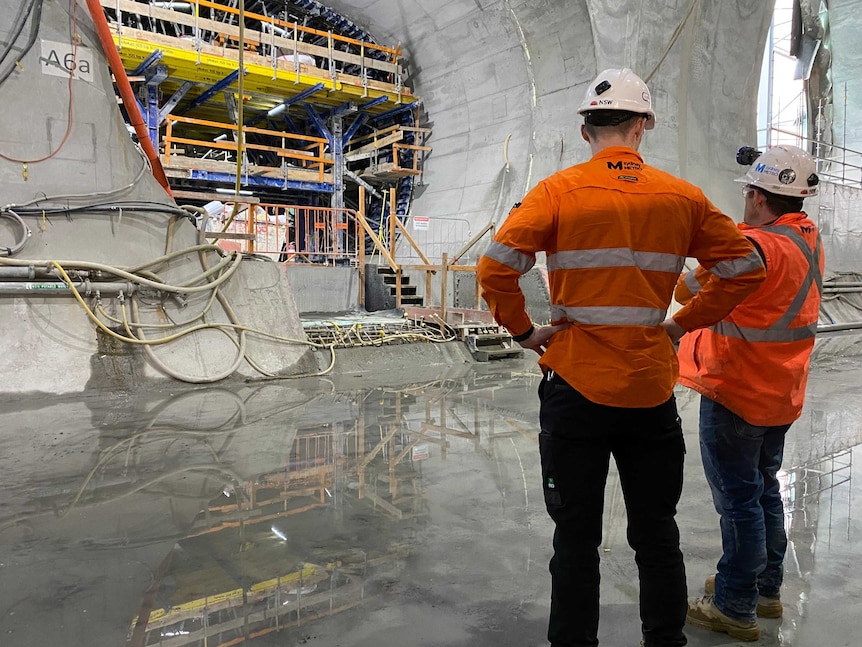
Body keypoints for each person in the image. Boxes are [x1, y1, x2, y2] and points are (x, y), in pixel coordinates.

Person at [476, 67, 767, 647]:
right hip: (650, 392)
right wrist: (680, 324)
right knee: (657, 534)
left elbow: (496, 267)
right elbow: (744, 269)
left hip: (575, 387)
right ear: (641, 127)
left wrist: (525, 332)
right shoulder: (682, 198)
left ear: (587, 130)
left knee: (575, 540)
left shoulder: (558, 191)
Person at [676, 145, 823, 642]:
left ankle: (734, 604)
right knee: (762, 493)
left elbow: (686, 291)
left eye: (747, 194)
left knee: (738, 502)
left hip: (737, 390)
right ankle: (765, 589)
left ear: (758, 198)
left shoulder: (753, 246)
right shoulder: (805, 239)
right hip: (778, 392)